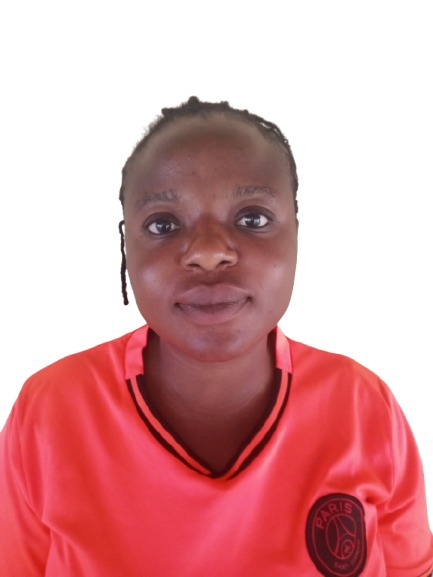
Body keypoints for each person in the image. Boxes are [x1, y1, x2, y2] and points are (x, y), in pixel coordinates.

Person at [0, 96, 432, 576]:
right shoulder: (50, 409)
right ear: (126, 245)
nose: (208, 252)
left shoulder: (363, 406)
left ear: (296, 232)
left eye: (252, 219)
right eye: (163, 224)